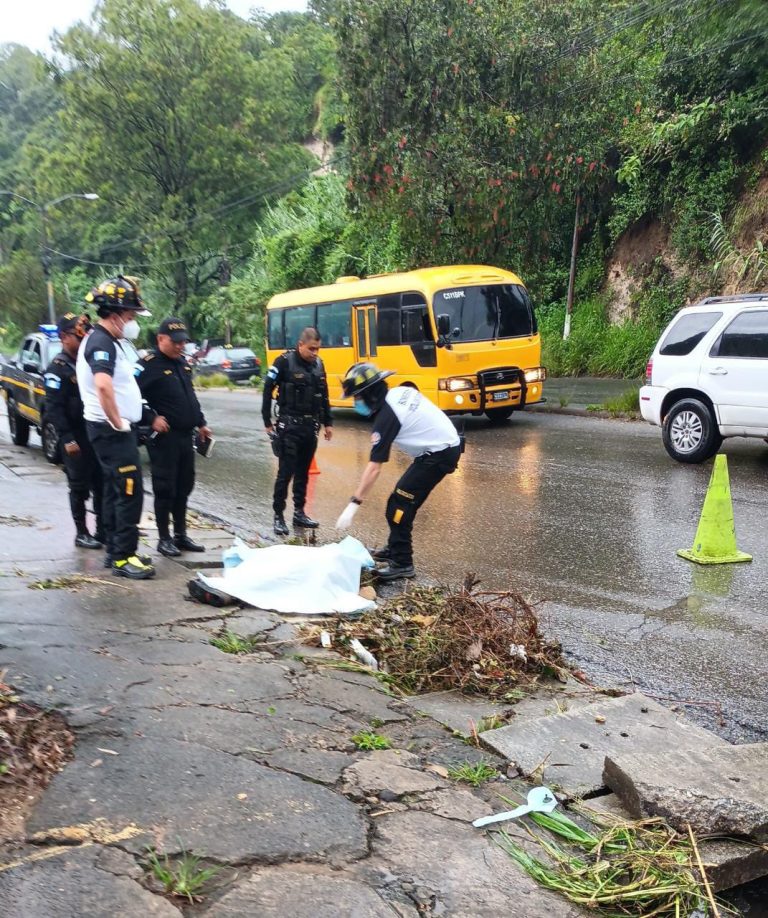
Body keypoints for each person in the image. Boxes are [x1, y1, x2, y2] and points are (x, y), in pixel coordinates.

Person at [335, 362, 462, 581]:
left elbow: (374, 467)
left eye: (357, 397)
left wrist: (353, 504)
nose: (356, 403)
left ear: (369, 394)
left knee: (400, 505)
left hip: (439, 453)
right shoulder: (397, 393)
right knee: (399, 501)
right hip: (443, 446)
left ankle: (403, 563)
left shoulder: (387, 417)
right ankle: (395, 549)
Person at [77, 276, 156, 580]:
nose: (133, 321)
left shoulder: (109, 341)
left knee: (115, 490)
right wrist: (118, 422)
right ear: (116, 314)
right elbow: (103, 386)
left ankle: (115, 549)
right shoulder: (100, 342)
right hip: (111, 432)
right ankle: (124, 557)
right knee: (128, 491)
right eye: (132, 316)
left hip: (110, 431)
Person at [137, 317, 212, 557]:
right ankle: (164, 538)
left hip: (184, 437)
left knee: (184, 486)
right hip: (164, 438)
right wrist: (151, 418)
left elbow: (190, 397)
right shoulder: (147, 365)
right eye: (175, 342)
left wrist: (201, 423)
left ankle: (181, 535)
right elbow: (128, 398)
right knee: (165, 488)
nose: (181, 346)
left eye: (183, 342)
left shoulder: (182, 363)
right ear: (161, 339)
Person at [262, 327, 333, 535]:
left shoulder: (319, 365)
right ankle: (278, 516)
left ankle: (299, 513)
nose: (315, 353)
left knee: (303, 473)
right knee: (286, 473)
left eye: (318, 349)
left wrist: (328, 422)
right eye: (311, 348)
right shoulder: (283, 362)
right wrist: (267, 420)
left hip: (310, 427)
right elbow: (267, 389)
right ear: (300, 344)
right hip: (289, 426)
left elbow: (325, 395)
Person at [44, 312, 104, 549]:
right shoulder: (57, 368)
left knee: (101, 482)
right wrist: (66, 438)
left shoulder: (87, 363)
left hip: (94, 432)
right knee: (79, 485)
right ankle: (81, 531)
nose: (82, 343)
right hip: (74, 437)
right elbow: (53, 408)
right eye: (77, 337)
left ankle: (102, 530)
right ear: (64, 338)